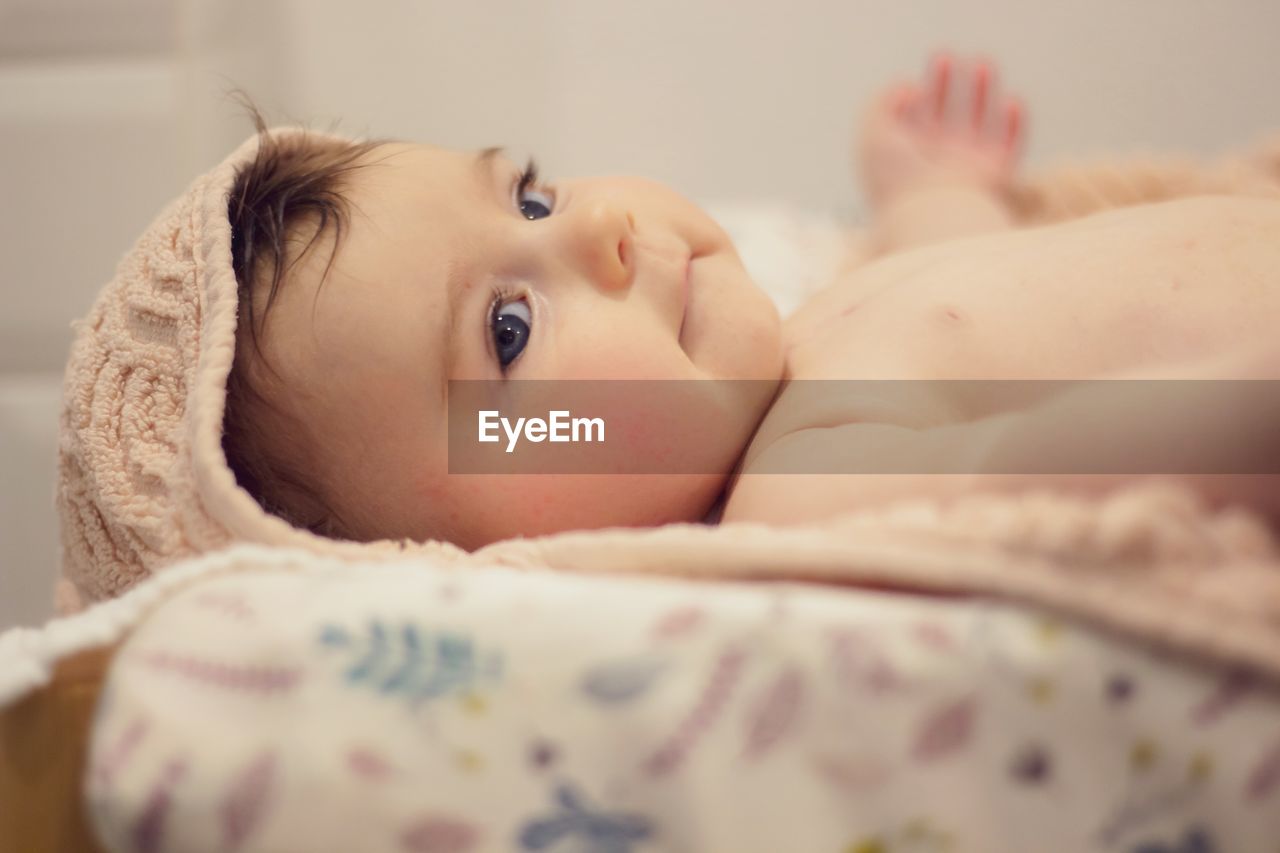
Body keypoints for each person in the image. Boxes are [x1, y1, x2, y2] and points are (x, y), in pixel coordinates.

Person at [59, 54, 1280, 603]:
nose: (603, 232)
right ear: (452, 567)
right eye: (507, 329)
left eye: (531, 194)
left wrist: (927, 187)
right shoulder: (806, 489)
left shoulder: (814, 340)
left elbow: (947, 260)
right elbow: (1103, 460)